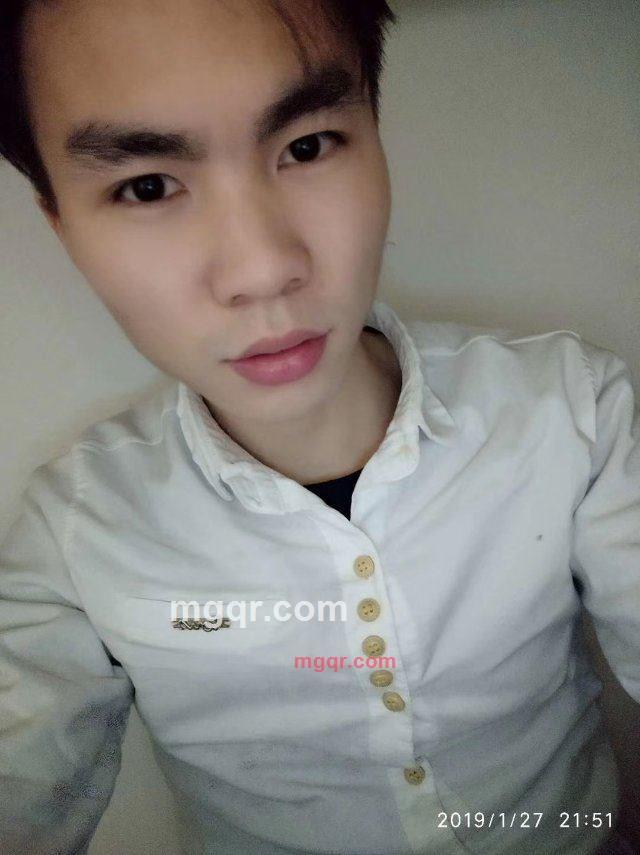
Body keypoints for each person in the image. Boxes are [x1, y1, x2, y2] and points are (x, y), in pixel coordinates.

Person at [0, 1, 638, 853]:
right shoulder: (75, 534)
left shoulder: (571, 409)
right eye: (147, 186)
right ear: (61, 226)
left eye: (306, 147)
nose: (263, 269)